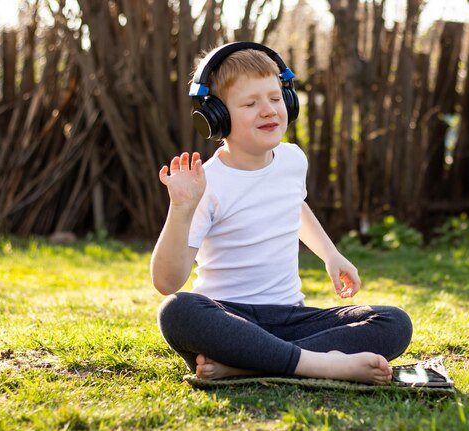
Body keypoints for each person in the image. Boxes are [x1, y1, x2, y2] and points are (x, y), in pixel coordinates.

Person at [151, 42, 412, 385]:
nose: (268, 110)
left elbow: (294, 207)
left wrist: (331, 255)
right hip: (228, 318)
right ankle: (320, 364)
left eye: (275, 98)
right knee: (176, 311)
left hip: (292, 316)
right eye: (250, 103)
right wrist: (181, 209)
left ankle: (250, 365)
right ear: (216, 116)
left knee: (394, 321)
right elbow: (167, 282)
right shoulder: (207, 184)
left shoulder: (292, 160)